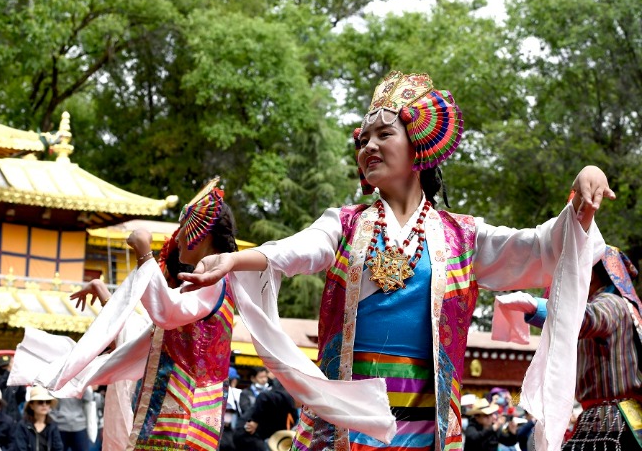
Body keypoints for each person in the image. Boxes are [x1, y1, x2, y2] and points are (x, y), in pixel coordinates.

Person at [179, 71, 613, 450]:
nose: (368, 145)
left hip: (428, 428)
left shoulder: (462, 236)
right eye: (363, 139)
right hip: (346, 421)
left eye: (384, 134)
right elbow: (297, 249)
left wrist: (582, 198)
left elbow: (540, 249)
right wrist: (235, 261)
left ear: (417, 146)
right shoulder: (344, 224)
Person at [9, 179, 240, 451]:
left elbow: (165, 312)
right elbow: (147, 327)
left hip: (186, 406)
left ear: (201, 232)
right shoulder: (208, 286)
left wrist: (144, 255)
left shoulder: (210, 282)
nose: (178, 238)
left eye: (181, 230)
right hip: (184, 403)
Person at [496, 245, 641, 450]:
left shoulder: (610, 303)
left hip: (609, 419)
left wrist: (537, 307)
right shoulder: (624, 305)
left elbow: (588, 319)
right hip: (618, 418)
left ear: (592, 273)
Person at [233, 380, 298, 451]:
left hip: (259, 436)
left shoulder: (292, 411)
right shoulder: (286, 397)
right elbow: (263, 396)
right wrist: (255, 420)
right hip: (247, 433)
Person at [11, 386, 63, 451]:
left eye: (47, 402)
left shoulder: (52, 425)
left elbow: (58, 448)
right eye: (40, 402)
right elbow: (20, 448)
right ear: (31, 405)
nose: (44, 405)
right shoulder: (22, 426)